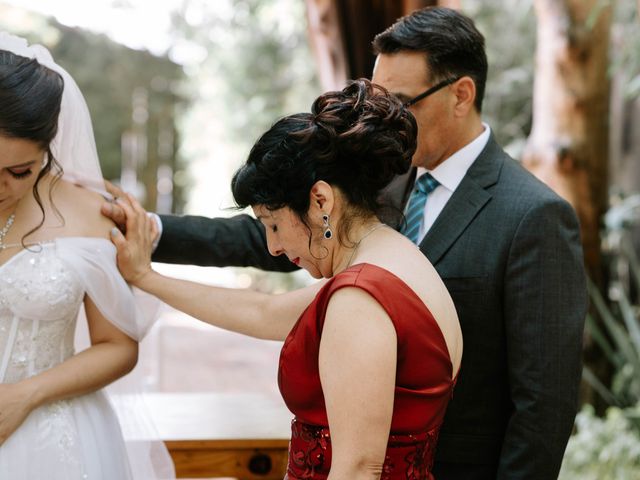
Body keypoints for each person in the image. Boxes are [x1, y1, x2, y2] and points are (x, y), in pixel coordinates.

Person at [104, 7, 588, 480]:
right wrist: (147, 238)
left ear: (461, 94)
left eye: (400, 102)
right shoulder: (372, 185)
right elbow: (265, 258)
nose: (386, 117)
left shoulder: (533, 215)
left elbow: (543, 406)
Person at [112, 78, 463, 479]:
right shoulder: (399, 261)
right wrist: (145, 276)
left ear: (320, 200)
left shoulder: (359, 300)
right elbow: (264, 311)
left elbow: (358, 467)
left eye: (273, 224)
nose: (273, 246)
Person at [0, 33, 174, 479]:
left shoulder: (88, 214)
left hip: (50, 435)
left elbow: (118, 347)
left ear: (46, 150)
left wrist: (24, 395)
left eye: (18, 172)